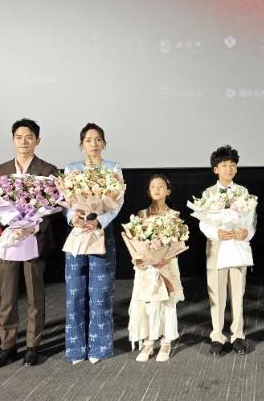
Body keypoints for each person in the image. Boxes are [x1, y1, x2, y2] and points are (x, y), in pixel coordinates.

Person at [0, 119, 58, 368]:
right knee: (7, 296)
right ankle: (7, 346)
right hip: (9, 239)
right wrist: (7, 225)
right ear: (12, 140)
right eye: (19, 137)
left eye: (29, 137)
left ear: (38, 140)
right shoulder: (0, 170)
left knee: (34, 295)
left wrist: (32, 225)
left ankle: (32, 346)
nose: (24, 142)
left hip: (35, 238)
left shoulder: (48, 169)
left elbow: (53, 207)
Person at [64, 123, 123, 364]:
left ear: (104, 143)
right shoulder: (72, 169)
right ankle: (76, 349)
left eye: (98, 139)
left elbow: (117, 203)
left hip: (101, 233)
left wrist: (99, 221)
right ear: (81, 145)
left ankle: (100, 347)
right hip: (78, 233)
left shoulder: (113, 169)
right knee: (75, 291)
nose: (94, 144)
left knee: (101, 291)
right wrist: (73, 217)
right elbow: (67, 201)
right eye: (88, 140)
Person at [199, 146, 255, 356]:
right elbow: (203, 223)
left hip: (238, 248)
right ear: (216, 169)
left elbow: (252, 221)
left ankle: (238, 335)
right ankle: (217, 336)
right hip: (217, 248)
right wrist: (217, 233)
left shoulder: (243, 192)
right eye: (224, 165)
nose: (228, 169)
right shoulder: (208, 193)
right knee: (216, 294)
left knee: (238, 293)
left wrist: (247, 233)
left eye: (232, 165)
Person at [130, 175, 183, 363]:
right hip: (148, 267)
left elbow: (178, 241)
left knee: (167, 303)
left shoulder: (174, 215)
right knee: (149, 303)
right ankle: (149, 341)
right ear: (148, 191)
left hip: (167, 264)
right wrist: (140, 258)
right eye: (153, 186)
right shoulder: (141, 215)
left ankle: (166, 341)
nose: (157, 189)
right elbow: (135, 241)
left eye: (161, 186)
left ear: (168, 191)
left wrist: (165, 257)